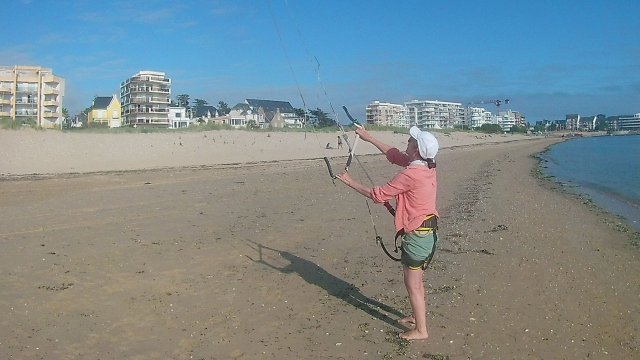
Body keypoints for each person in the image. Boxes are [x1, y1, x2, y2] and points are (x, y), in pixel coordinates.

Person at [335, 125, 439, 340]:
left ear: (417, 150)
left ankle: (421, 330)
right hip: (427, 234)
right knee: (416, 282)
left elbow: (378, 195)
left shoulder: (411, 174)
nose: (408, 142)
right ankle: (415, 316)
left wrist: (350, 182)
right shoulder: (427, 165)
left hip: (417, 237)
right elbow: (394, 155)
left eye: (411, 141)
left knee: (413, 286)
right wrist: (368, 138)